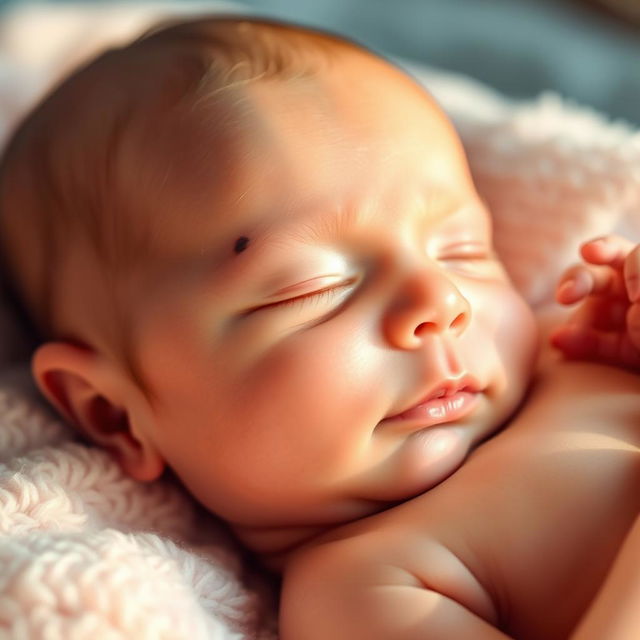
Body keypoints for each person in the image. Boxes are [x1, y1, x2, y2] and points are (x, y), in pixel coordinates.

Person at [0, 16, 638, 640]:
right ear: (112, 412)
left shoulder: (574, 345)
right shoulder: (363, 589)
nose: (439, 300)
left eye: (462, 250)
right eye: (316, 287)